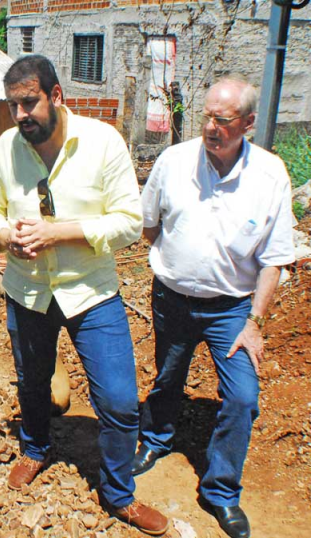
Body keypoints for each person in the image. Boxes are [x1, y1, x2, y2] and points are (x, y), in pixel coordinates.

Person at [0, 54, 169, 535]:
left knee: (121, 400)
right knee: (33, 381)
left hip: (91, 293)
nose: (20, 115)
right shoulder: (4, 151)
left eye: (28, 103)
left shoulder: (103, 142)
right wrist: (4, 237)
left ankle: (118, 494)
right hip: (28, 291)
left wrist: (58, 233)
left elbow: (128, 222)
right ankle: (35, 448)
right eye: (12, 106)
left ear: (55, 96)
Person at [136, 78, 295, 538]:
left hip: (232, 310)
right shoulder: (173, 161)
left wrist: (255, 322)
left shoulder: (269, 176)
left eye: (222, 120)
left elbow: (274, 260)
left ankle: (221, 490)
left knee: (244, 398)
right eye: (206, 116)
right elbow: (150, 226)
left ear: (247, 123)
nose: (209, 127)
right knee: (168, 375)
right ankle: (157, 439)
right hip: (171, 298)